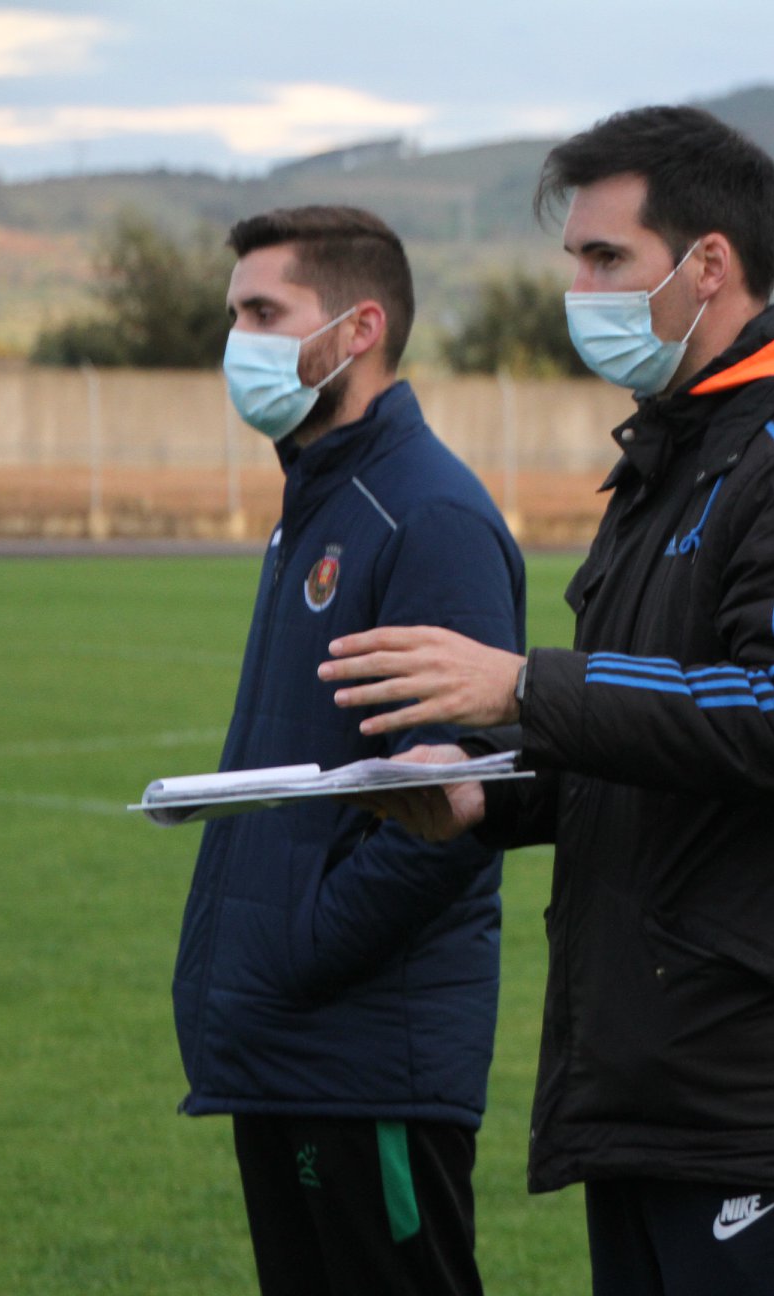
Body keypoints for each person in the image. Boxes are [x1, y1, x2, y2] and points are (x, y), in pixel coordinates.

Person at [316, 108, 774, 1296]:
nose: (579, 290)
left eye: (607, 258)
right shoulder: (671, 454)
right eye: (573, 259)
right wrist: (484, 793)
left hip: (757, 1089)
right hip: (647, 1068)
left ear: (709, 265)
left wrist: (523, 683)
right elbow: (653, 736)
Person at [173, 205, 526, 1296]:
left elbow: (455, 801)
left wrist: (302, 943)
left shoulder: (428, 516)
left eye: (263, 313)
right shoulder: (319, 498)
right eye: (235, 314)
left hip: (367, 1054)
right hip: (290, 1045)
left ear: (358, 328)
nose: (238, 341)